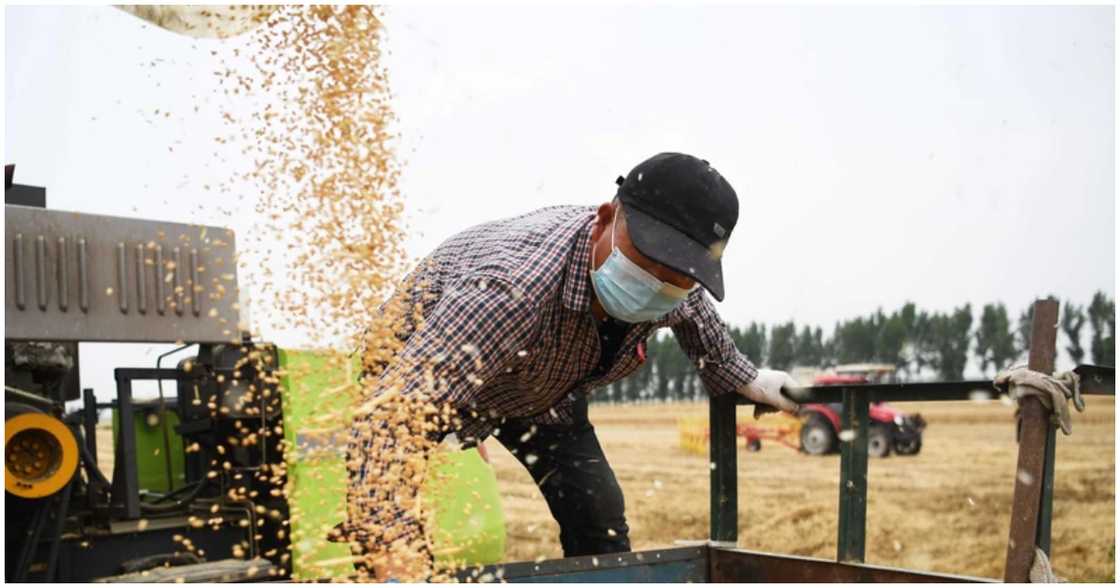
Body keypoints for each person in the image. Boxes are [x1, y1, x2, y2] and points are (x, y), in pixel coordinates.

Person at [334, 152, 801, 579]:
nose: (660, 285)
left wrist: (743, 377)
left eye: (678, 276)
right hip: (425, 372)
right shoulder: (507, 291)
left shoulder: (678, 286)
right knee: (393, 535)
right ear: (605, 220)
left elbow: (694, 313)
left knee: (598, 516)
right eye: (651, 263)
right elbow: (387, 420)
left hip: (542, 388)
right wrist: (391, 552)